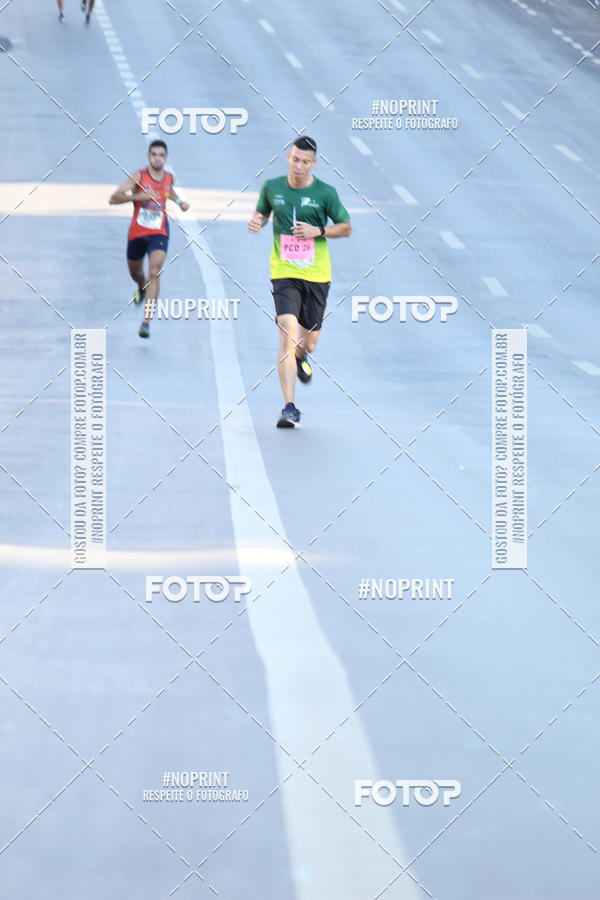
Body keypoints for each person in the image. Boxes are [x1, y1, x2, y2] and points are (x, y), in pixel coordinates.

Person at [248, 136, 351, 428]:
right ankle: (289, 408)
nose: (299, 166)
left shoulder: (325, 193)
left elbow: (345, 227)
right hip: (284, 272)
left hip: (317, 275)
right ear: (288, 158)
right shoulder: (272, 188)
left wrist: (318, 231)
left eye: (305, 162)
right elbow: (262, 213)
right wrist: (257, 221)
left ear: (313, 163)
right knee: (287, 332)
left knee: (308, 342)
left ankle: (301, 356)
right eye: (295, 159)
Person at [109, 140, 189, 338]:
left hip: (159, 232)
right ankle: (141, 286)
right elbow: (113, 198)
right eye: (154, 155)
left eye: (161, 155)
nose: (157, 159)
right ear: (148, 156)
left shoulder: (169, 178)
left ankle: (146, 322)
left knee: (155, 270)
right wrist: (137, 197)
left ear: (166, 158)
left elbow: (169, 191)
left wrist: (180, 202)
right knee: (136, 273)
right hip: (137, 233)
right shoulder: (138, 176)